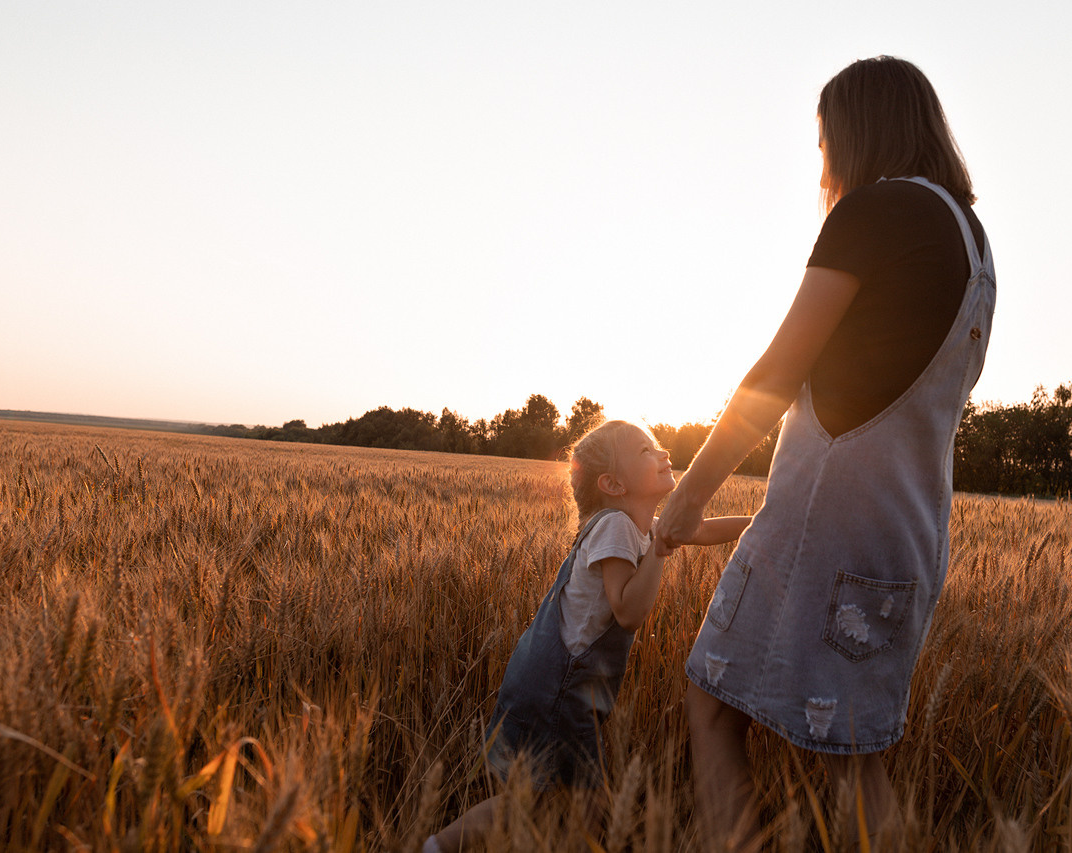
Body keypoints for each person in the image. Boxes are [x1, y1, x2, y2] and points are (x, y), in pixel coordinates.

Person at [655, 55, 996, 850]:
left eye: (823, 143)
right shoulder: (973, 242)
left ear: (854, 132)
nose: (823, 163)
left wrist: (690, 496)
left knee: (709, 698)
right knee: (852, 752)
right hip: (908, 534)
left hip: (827, 526)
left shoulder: (873, 213)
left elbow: (778, 371)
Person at [426, 419, 751, 853]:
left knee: (538, 802)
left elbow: (702, 529)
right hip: (563, 688)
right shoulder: (615, 526)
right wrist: (658, 551)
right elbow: (628, 611)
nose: (663, 453)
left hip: (554, 682)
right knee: (586, 806)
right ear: (613, 483)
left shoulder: (637, 524)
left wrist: (761, 522)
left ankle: (438, 847)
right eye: (645, 451)